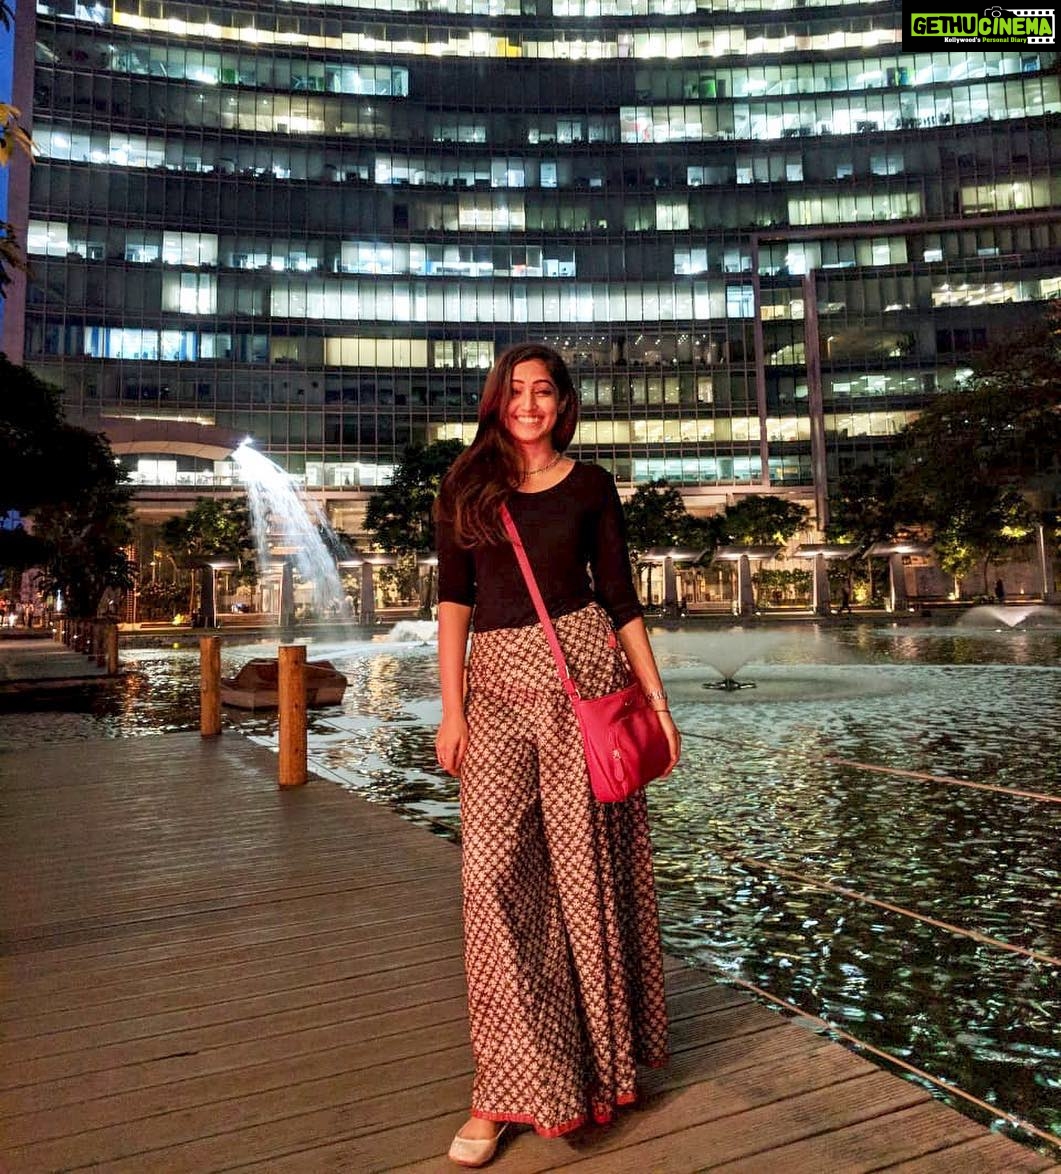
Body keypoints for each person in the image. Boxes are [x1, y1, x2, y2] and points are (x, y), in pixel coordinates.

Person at [434, 342, 681, 1168]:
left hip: (582, 678)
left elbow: (618, 596)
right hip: (496, 689)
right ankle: (503, 1083)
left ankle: (587, 1073)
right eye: (516, 391)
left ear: (563, 401)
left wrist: (654, 699)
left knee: (581, 875)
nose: (529, 404)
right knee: (492, 878)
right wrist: (451, 710)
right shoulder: (466, 484)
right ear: (495, 401)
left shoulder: (589, 485)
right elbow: (452, 602)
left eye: (543, 391)